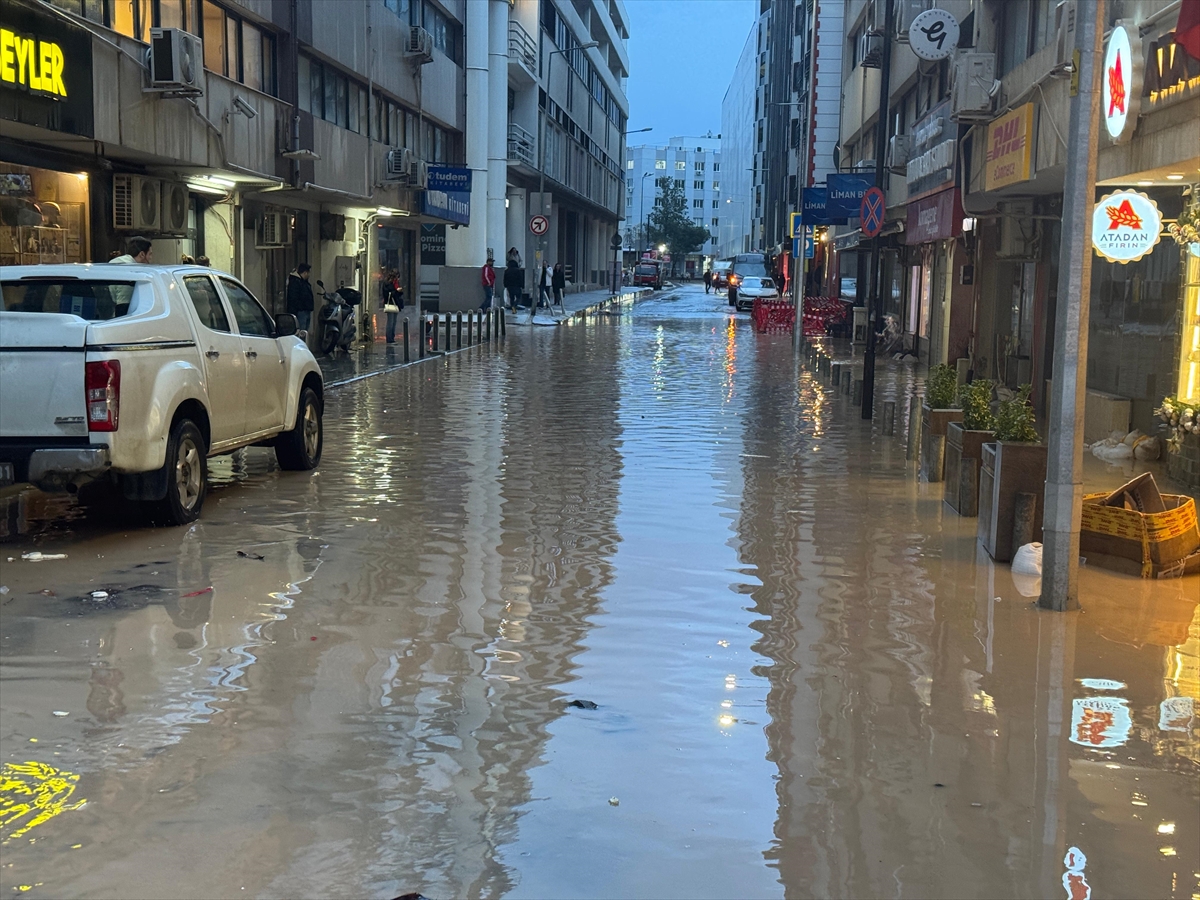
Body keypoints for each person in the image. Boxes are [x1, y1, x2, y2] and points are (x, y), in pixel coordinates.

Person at [286, 263, 314, 333]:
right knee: (301, 331)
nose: (309, 275)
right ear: (305, 272)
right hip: (301, 311)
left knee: (304, 331)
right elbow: (293, 298)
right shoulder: (296, 282)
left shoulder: (302, 282)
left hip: (305, 310)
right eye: (308, 273)